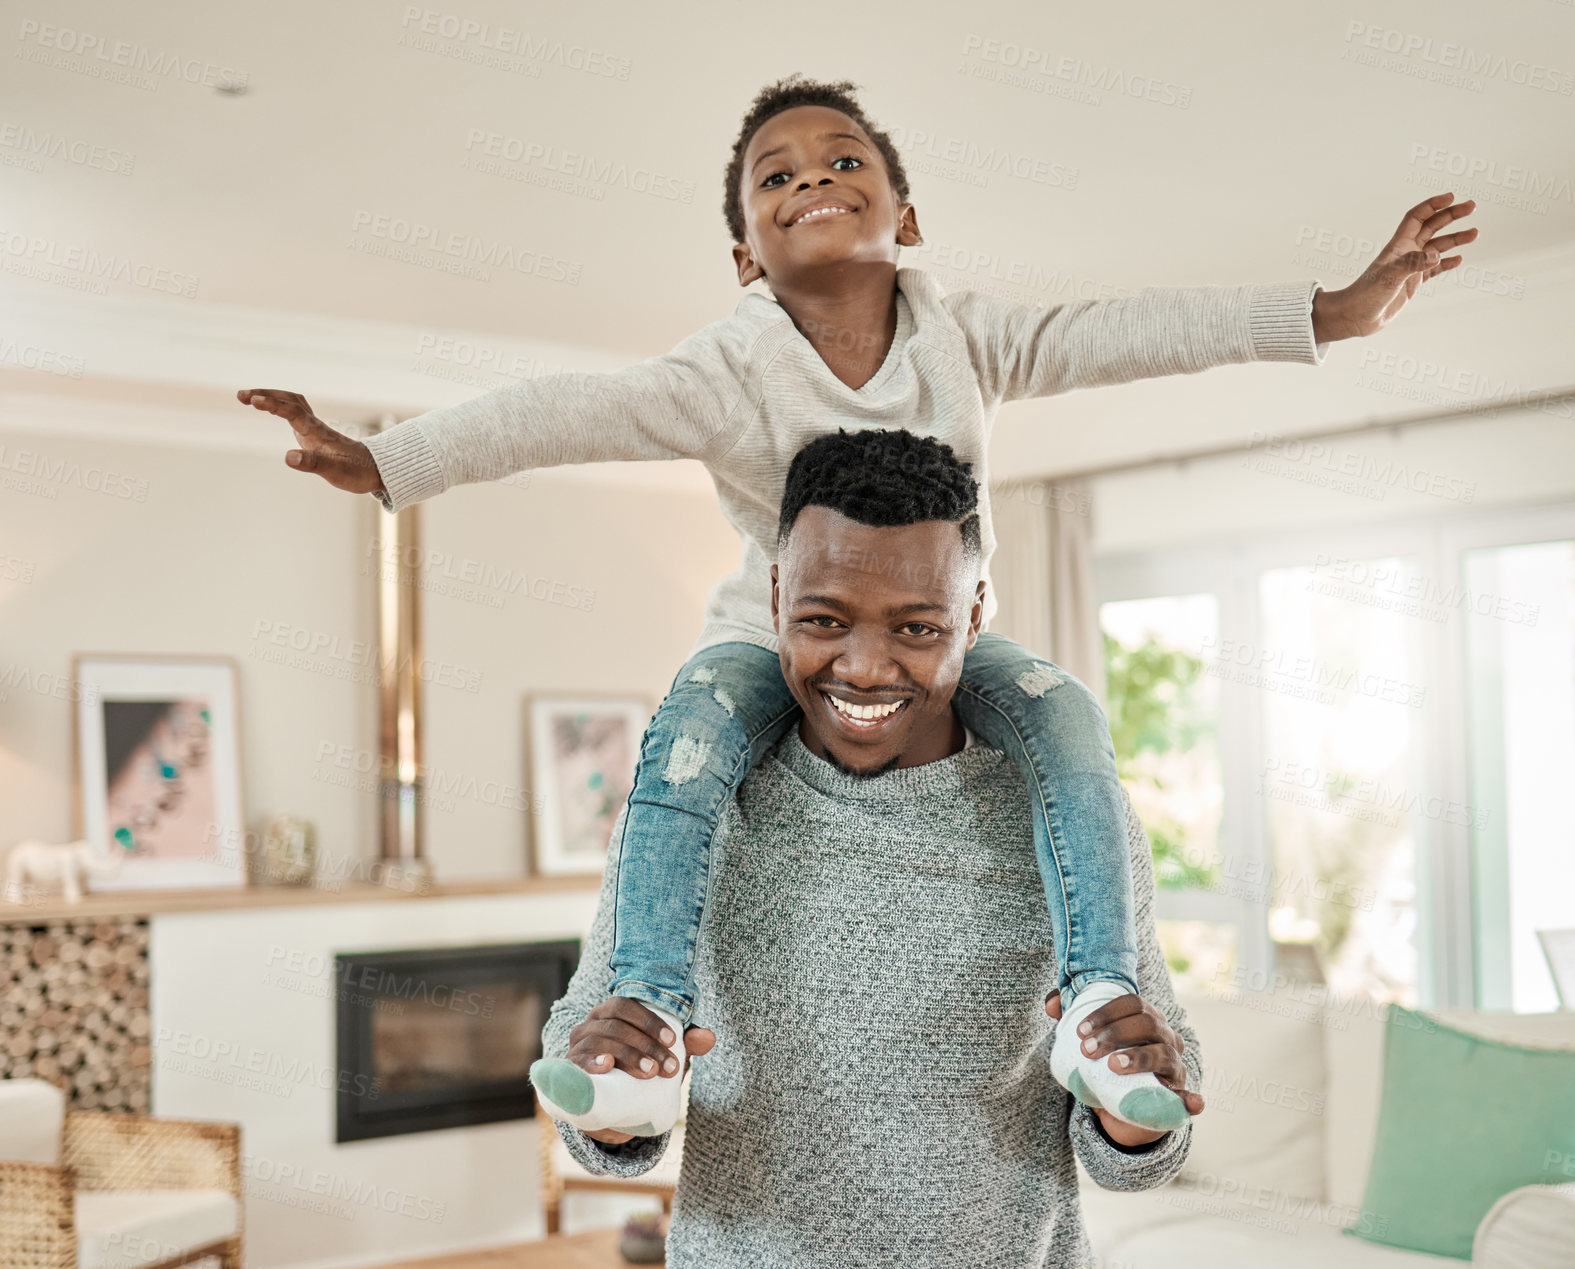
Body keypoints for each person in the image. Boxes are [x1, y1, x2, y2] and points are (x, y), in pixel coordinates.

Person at [235, 74, 1477, 1138]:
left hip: (953, 636)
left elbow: (1129, 331)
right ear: (744, 251)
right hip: (760, 641)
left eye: (843, 160)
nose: (811, 178)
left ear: (905, 212)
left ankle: (1098, 1004)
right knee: (680, 756)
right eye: (775, 177)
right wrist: (389, 464)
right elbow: (563, 409)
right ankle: (653, 1017)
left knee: (1070, 724)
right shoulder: (724, 371)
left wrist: (1332, 312)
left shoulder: (968, 337)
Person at [542, 427, 1206, 1267]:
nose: (862, 667)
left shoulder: (1070, 827)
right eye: (824, 619)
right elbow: (586, 1064)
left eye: (916, 629)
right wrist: (609, 1082)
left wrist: (1136, 1109)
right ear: (777, 593)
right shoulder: (694, 815)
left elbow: (1145, 1133)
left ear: (971, 614)